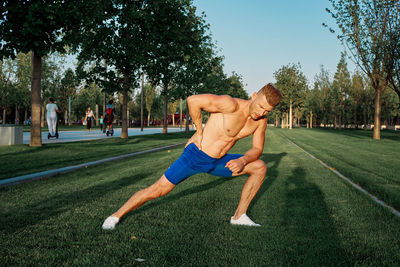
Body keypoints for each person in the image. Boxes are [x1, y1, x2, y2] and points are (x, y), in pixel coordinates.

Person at [102, 83, 282, 230]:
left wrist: (243, 160)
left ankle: (239, 216)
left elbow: (257, 148)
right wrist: (199, 129)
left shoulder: (260, 121)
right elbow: (193, 100)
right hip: (195, 156)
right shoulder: (230, 105)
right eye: (260, 106)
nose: (261, 113)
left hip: (217, 161)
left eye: (267, 111)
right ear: (253, 95)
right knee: (157, 190)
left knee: (259, 167)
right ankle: (115, 216)